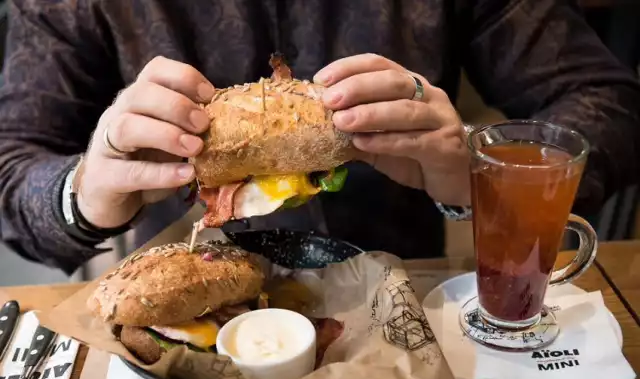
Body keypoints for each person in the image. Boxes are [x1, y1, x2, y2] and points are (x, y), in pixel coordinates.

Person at [0, 0, 639, 275]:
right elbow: (12, 161)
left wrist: (480, 166)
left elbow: (611, 104)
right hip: (186, 296)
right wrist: (81, 191)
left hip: (399, 298)